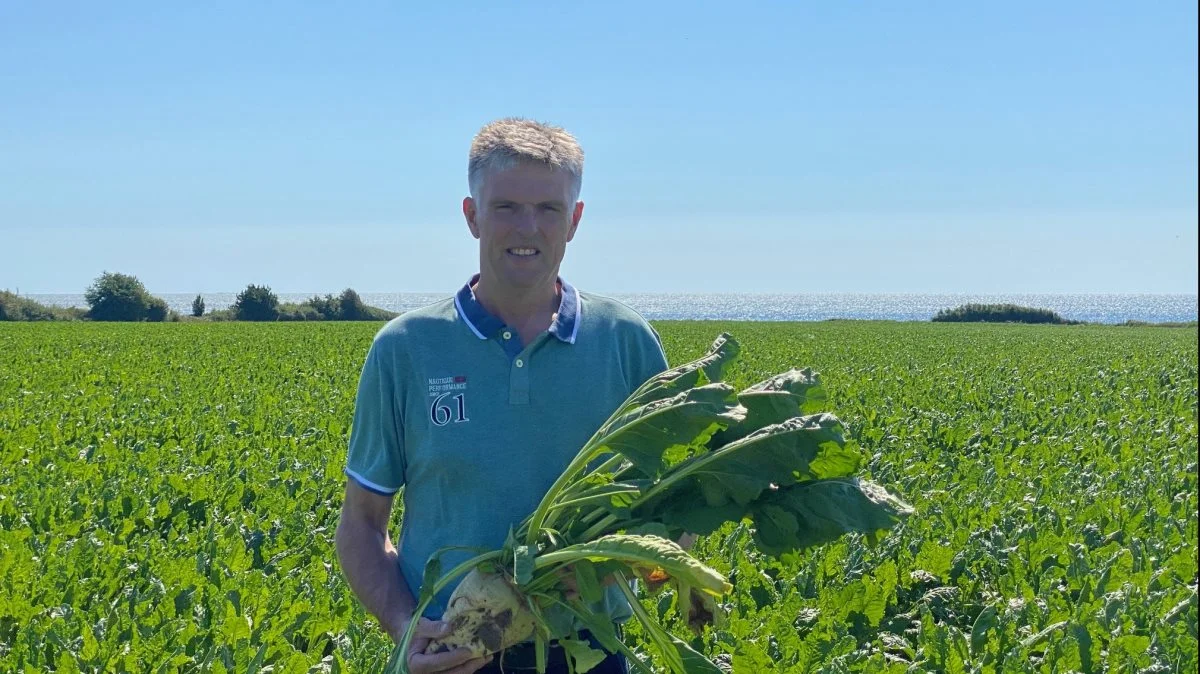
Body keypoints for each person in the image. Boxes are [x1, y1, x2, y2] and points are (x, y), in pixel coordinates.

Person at [334, 118, 670, 674]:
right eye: (506, 206)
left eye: (548, 209)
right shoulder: (406, 349)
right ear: (471, 216)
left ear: (575, 220)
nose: (528, 227)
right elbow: (362, 524)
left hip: (589, 652)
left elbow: (674, 509)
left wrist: (608, 565)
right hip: (450, 653)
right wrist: (405, 628)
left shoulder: (625, 342)